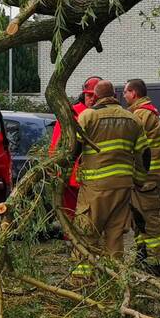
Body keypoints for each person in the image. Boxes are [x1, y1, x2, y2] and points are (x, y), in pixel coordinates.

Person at [71, 79, 144, 277]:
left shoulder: (88, 116)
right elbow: (143, 153)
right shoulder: (132, 119)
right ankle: (114, 280)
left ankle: (82, 279)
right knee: (115, 235)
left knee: (87, 233)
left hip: (95, 187)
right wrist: (139, 179)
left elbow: (73, 149)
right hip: (122, 186)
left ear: (96, 96)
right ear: (116, 95)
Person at [123, 78, 160, 276]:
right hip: (148, 174)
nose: (124, 96)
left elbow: (133, 143)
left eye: (125, 92)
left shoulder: (140, 114)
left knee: (150, 218)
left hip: (147, 176)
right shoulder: (147, 111)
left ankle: (159, 262)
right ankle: (144, 255)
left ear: (133, 93)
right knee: (139, 218)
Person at [48, 76, 101, 219]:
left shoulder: (101, 115)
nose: (92, 99)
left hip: (93, 173)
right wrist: (54, 166)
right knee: (70, 208)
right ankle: (69, 237)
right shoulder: (72, 113)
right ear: (83, 95)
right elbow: (57, 141)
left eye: (95, 96)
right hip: (71, 172)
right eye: (89, 95)